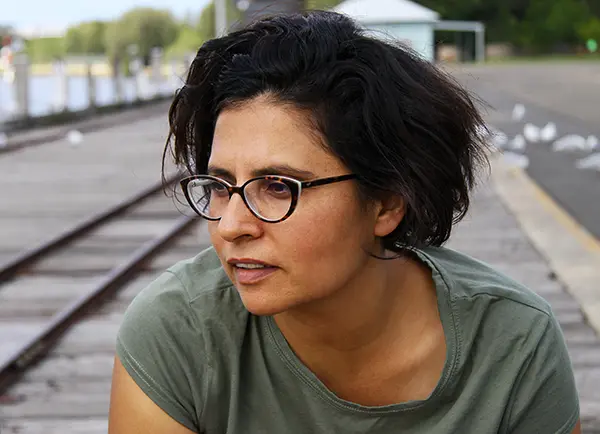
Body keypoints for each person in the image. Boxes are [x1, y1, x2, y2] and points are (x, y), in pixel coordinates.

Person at [108, 10, 580, 434]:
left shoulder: (512, 345)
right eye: (219, 184)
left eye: (277, 187)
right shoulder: (177, 333)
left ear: (386, 203)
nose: (232, 226)